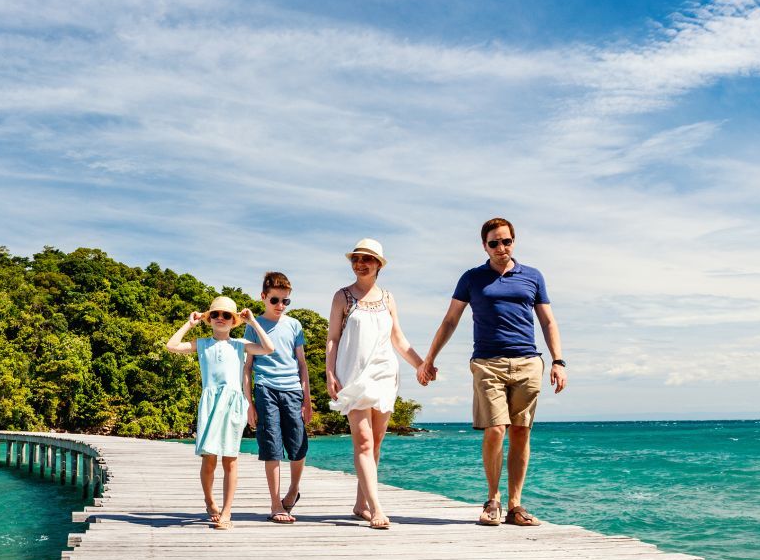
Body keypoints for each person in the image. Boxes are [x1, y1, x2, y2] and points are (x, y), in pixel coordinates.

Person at [419, 217, 566, 526]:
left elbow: (548, 322)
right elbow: (450, 320)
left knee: (521, 432)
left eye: (507, 241)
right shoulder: (472, 278)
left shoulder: (533, 276)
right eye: (494, 243)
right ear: (484, 245)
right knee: (496, 429)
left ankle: (515, 505)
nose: (501, 247)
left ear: (514, 241)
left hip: (528, 362)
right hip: (487, 363)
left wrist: (558, 361)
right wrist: (429, 358)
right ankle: (492, 499)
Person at [325, 239, 427, 530]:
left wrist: (420, 364)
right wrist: (329, 373)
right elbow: (332, 338)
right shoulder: (342, 297)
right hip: (353, 375)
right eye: (356, 259)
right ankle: (376, 507)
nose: (361, 264)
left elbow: (399, 339)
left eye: (367, 259)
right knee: (364, 441)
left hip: (384, 374)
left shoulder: (388, 298)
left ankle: (360, 504)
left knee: (376, 442)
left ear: (379, 264)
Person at [165, 296, 278, 530]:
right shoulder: (202, 343)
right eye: (215, 314)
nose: (220, 318)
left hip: (233, 404)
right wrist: (190, 324)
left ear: (233, 320)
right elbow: (171, 345)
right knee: (209, 460)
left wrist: (254, 322)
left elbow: (268, 347)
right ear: (209, 319)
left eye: (226, 315)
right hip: (210, 403)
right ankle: (210, 501)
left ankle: (227, 512)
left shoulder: (240, 344)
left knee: (231, 460)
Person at [242, 271, 313, 524]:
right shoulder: (253, 327)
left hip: (293, 389)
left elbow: (302, 364)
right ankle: (275, 503)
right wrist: (249, 403)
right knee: (271, 445)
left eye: (285, 301)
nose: (280, 306)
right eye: (275, 300)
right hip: (265, 389)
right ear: (263, 297)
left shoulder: (294, 325)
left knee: (297, 444)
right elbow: (247, 367)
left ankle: (293, 490)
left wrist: (307, 399)